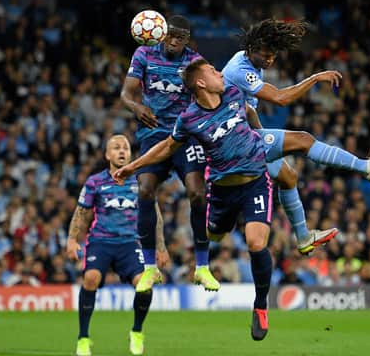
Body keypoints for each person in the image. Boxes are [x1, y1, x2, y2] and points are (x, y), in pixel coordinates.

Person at [114, 59, 275, 341]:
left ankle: (260, 305)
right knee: (214, 233)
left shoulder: (234, 93)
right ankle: (206, 253)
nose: (219, 73)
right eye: (213, 71)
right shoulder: (188, 119)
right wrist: (133, 166)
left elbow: (249, 110)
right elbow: (166, 147)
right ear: (201, 83)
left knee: (256, 242)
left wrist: (259, 135)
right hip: (223, 190)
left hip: (255, 182)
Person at [223, 19, 370, 254]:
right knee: (304, 140)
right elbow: (281, 98)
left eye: (273, 55)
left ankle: (304, 237)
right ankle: (367, 167)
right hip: (231, 138)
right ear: (252, 48)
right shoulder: (239, 69)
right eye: (266, 55)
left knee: (289, 177)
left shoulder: (253, 63)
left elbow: (248, 109)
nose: (270, 60)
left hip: (243, 133)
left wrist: (262, 134)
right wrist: (315, 78)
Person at [120, 15, 218, 292]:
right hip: (153, 136)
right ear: (162, 33)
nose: (175, 41)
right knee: (144, 190)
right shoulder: (144, 54)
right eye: (171, 35)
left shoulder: (194, 62)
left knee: (198, 193)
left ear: (187, 40)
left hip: (185, 136)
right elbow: (126, 93)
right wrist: (136, 107)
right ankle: (150, 268)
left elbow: (210, 95)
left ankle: (202, 267)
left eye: (181, 37)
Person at [66, 134, 166, 356]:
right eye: (116, 148)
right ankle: (83, 337)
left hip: (130, 243)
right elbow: (82, 212)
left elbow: (154, 215)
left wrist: (160, 246)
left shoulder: (141, 181)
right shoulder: (95, 182)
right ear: (107, 155)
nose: (122, 151)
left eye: (126, 148)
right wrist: (72, 239)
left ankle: (137, 331)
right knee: (91, 278)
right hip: (101, 241)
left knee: (144, 284)